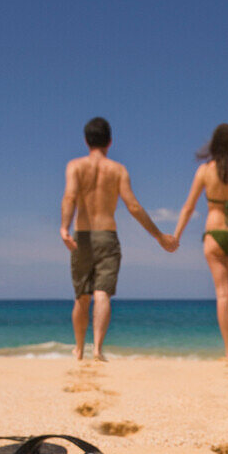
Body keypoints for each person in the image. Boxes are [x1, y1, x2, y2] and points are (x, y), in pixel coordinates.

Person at [60, 117, 177, 361]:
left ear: (86, 140)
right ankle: (98, 350)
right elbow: (133, 206)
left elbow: (70, 196)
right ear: (110, 142)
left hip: (81, 236)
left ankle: (79, 349)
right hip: (107, 236)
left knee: (82, 295)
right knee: (102, 293)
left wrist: (64, 228)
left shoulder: (75, 166)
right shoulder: (118, 170)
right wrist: (158, 236)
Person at [173, 124, 228, 360]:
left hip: (214, 236)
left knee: (223, 294)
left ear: (215, 144)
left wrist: (177, 235)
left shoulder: (204, 171)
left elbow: (188, 207)